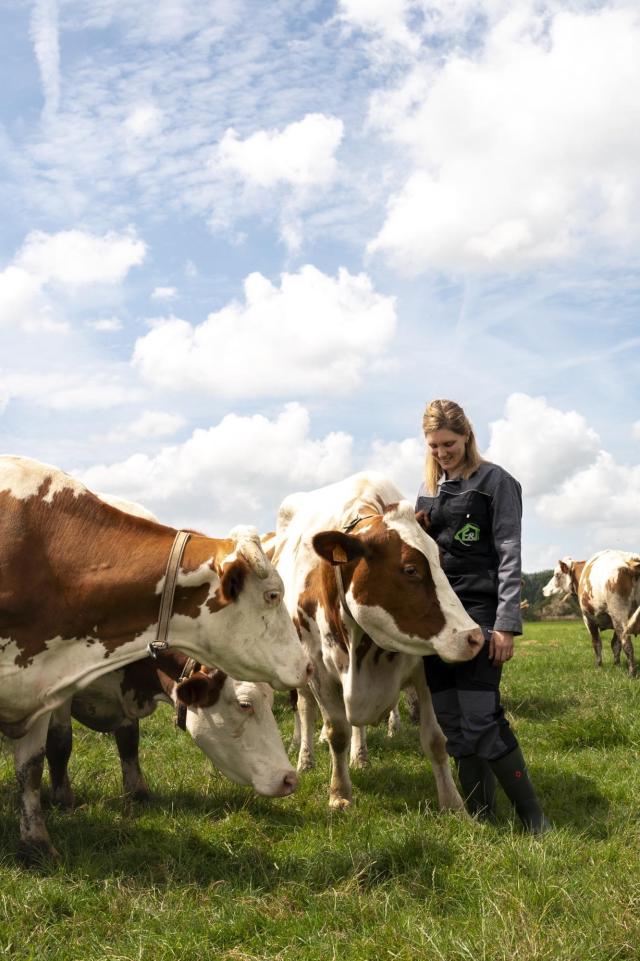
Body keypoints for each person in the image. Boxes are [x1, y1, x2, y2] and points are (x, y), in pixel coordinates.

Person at [415, 398, 549, 834]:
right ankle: (483, 820)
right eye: (434, 446)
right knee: (452, 724)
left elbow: (510, 553)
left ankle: (533, 819)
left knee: (481, 718)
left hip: (480, 613)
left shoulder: (496, 482)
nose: (441, 453)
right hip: (438, 619)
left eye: (448, 443)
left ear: (467, 436)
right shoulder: (429, 491)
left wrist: (506, 624)